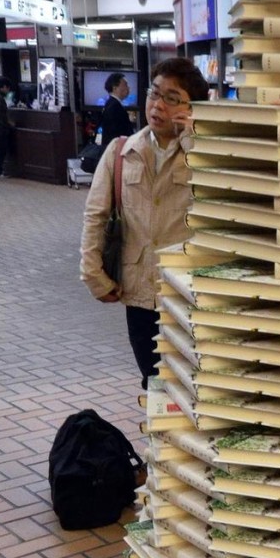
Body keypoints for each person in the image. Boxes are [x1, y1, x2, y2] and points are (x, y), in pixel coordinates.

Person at [79, 58, 207, 389]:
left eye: (172, 98)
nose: (158, 105)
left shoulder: (207, 154)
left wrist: (195, 136)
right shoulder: (120, 152)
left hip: (191, 293)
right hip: (140, 293)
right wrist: (94, 275)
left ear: (191, 107)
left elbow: (220, 195)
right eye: (155, 93)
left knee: (197, 382)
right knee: (154, 382)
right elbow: (96, 216)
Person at [99, 73, 134, 150]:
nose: (128, 88)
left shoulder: (111, 103)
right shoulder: (114, 106)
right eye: (125, 85)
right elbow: (117, 134)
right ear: (115, 88)